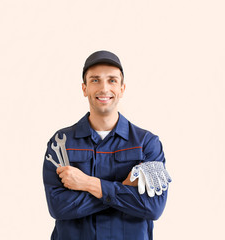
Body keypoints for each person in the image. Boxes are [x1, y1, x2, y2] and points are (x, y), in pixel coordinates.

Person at [42, 50, 170, 240]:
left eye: (112, 80)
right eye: (95, 80)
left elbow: (153, 207)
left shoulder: (147, 144)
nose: (104, 88)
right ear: (84, 88)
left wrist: (87, 183)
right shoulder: (61, 143)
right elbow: (59, 207)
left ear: (122, 88)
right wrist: (124, 188)